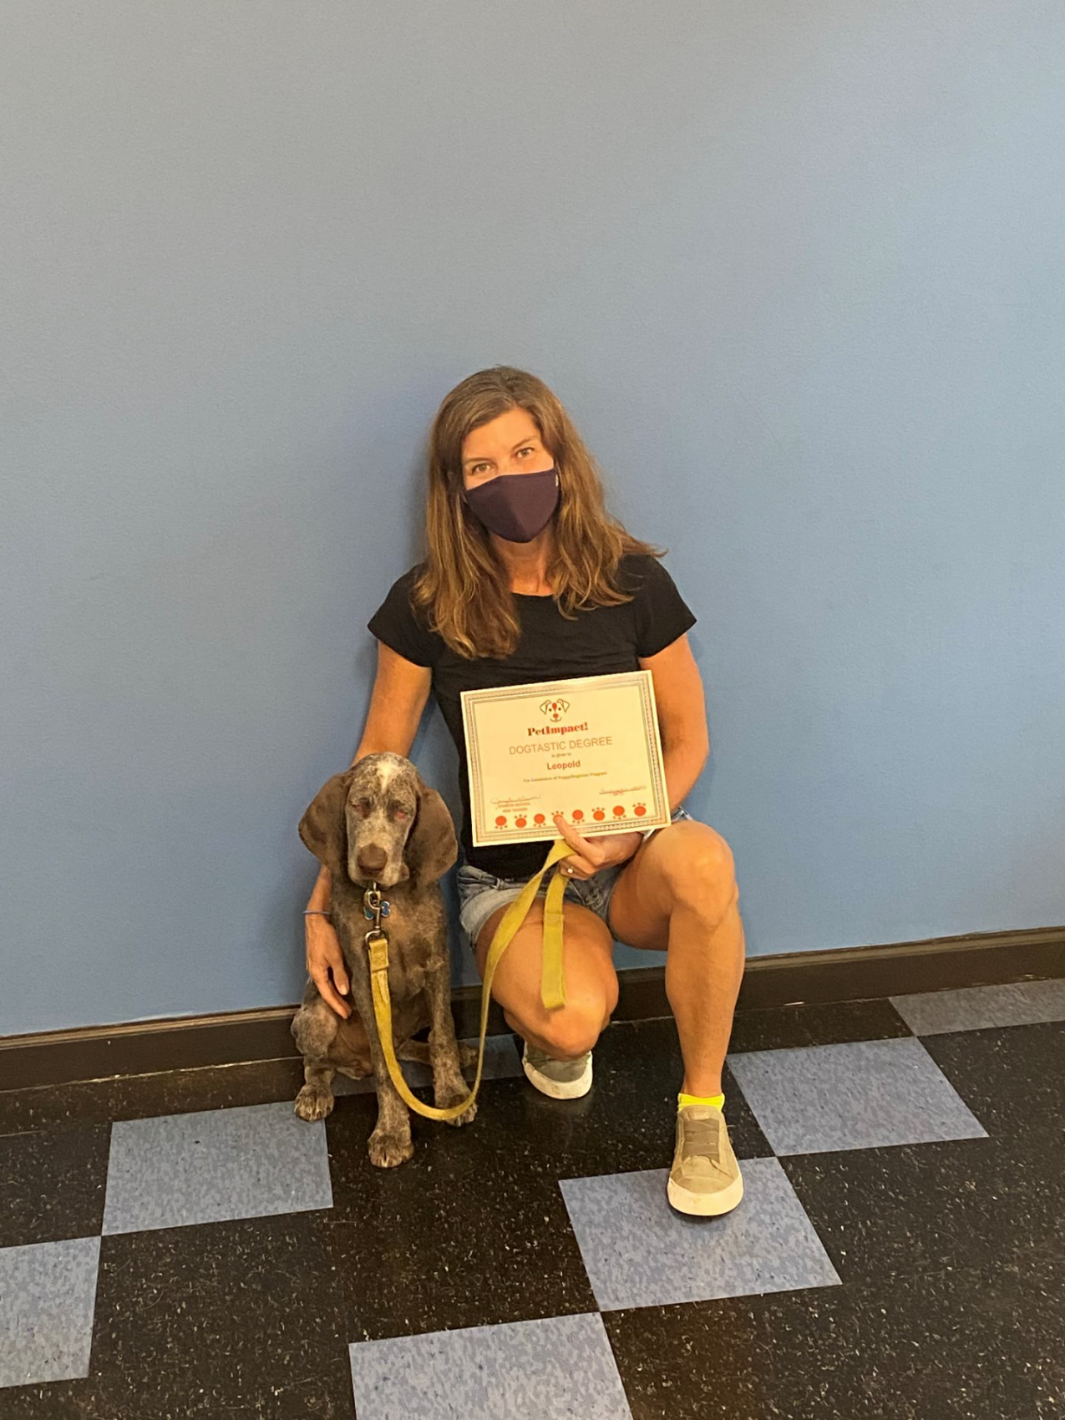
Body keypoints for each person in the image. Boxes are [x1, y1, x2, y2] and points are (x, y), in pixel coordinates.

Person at [304, 366, 746, 1216]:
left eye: (523, 452)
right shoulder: (426, 601)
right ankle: (548, 1036)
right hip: (512, 877)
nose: (509, 480)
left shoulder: (632, 581)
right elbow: (374, 760)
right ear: (457, 490)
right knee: (570, 1021)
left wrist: (628, 837)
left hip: (632, 853)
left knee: (704, 862)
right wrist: (323, 906)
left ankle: (701, 1113)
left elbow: (687, 740)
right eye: (481, 468)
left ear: (559, 458)